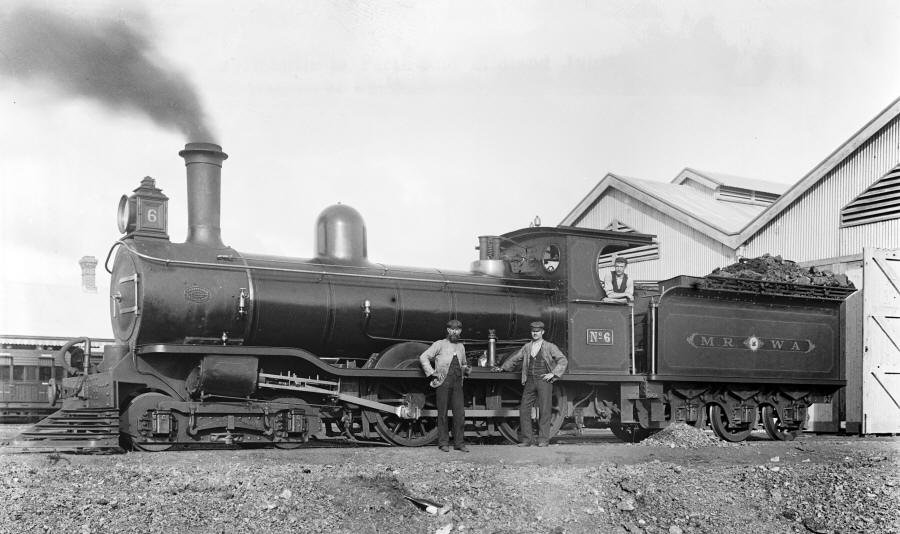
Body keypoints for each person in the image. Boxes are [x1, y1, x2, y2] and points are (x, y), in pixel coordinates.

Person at [492, 321, 567, 447]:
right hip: (530, 381)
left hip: (544, 381)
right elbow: (515, 358)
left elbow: (563, 360)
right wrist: (503, 368)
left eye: (537, 331)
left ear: (542, 332)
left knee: (545, 410)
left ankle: (543, 440)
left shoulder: (550, 346)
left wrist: (553, 374)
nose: (535, 333)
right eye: (533, 331)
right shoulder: (527, 347)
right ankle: (527, 440)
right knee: (524, 410)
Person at [419, 319, 471, 452]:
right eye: (452, 329)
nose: (455, 332)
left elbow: (464, 363)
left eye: (457, 330)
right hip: (443, 382)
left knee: (460, 414)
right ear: (448, 330)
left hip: (458, 383)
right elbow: (423, 357)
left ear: (460, 331)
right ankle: (443, 443)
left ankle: (459, 443)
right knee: (442, 414)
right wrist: (431, 372)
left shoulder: (461, 347)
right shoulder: (439, 344)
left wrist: (466, 369)